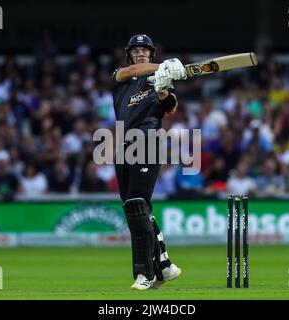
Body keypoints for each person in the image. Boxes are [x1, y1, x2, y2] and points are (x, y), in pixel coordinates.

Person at [111, 34, 187, 290]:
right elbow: (133, 71)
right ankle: (164, 264)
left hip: (148, 141)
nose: (141, 53)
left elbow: (171, 107)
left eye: (145, 50)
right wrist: (163, 67)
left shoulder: (162, 79)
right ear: (129, 53)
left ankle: (145, 274)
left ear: (152, 52)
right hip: (123, 146)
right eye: (136, 50)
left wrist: (164, 89)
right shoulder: (120, 76)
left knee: (137, 204)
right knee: (135, 210)